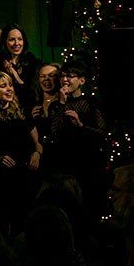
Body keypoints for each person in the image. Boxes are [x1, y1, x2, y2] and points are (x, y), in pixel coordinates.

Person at [0, 71, 42, 227]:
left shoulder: (22, 111)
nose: (9, 89)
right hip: (0, 178)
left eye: (10, 85)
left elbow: (38, 142)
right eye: (3, 86)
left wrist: (37, 153)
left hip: (26, 173)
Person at [48, 61, 105, 191]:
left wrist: (80, 125)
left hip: (88, 160)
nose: (64, 79)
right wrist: (62, 102)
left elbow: (102, 132)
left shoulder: (91, 103)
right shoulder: (55, 105)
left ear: (82, 81)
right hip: (64, 161)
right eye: (62, 76)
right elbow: (54, 131)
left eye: (70, 76)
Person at [0, 25, 40, 111]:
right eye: (12, 39)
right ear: (5, 42)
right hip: (6, 109)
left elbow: (31, 91)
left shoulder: (32, 61)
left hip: (29, 109)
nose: (16, 43)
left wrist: (15, 75)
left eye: (20, 39)